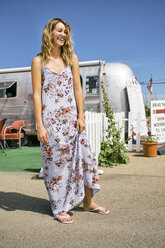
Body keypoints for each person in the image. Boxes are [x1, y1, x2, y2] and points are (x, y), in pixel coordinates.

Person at [31, 18, 109, 224]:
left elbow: (77, 89)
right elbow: (37, 95)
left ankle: (88, 201)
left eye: (65, 32)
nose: (63, 35)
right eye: (59, 31)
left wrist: (81, 115)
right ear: (50, 33)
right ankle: (58, 208)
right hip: (50, 123)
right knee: (56, 167)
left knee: (87, 160)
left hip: (72, 122)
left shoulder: (71, 58)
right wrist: (39, 124)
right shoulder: (38, 61)